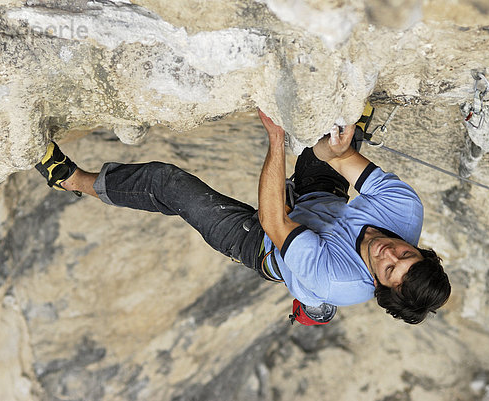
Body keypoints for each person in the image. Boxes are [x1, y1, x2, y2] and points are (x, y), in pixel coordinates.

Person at [35, 106, 451, 326]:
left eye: (388, 270)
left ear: (378, 286)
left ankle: (72, 180)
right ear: (419, 249)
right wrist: (333, 146)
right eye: (404, 255)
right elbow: (340, 159)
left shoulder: (338, 280)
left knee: (168, 184)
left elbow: (274, 221)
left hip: (264, 243)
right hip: (322, 205)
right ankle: (342, 128)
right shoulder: (405, 210)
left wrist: (276, 139)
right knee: (328, 134)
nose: (387, 253)